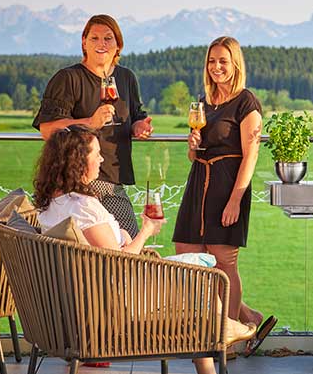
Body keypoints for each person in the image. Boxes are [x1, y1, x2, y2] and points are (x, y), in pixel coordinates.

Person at [32, 125, 255, 374]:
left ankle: (216, 340)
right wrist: (146, 230)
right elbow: (119, 260)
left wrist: (123, 235)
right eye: (96, 153)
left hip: (92, 296)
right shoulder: (83, 207)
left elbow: (100, 252)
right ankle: (223, 331)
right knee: (203, 275)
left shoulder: (53, 204)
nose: (102, 159)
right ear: (78, 161)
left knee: (195, 269)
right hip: (121, 300)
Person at [172, 36, 276, 356]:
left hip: (228, 186)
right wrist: (192, 147)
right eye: (212, 61)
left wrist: (235, 200)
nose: (216, 67)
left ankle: (226, 338)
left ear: (235, 65)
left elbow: (251, 155)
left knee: (224, 261)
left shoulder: (246, 102)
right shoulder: (204, 102)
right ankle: (251, 319)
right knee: (187, 253)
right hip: (199, 180)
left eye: (223, 62)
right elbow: (196, 154)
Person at [32, 14, 154, 239]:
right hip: (77, 184)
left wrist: (139, 126)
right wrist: (89, 122)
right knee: (124, 252)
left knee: (126, 246)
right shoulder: (68, 78)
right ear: (83, 42)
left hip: (114, 182)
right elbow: (47, 130)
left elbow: (137, 115)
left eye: (108, 38)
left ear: (118, 44)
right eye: (95, 38)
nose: (102, 44)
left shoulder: (126, 78)